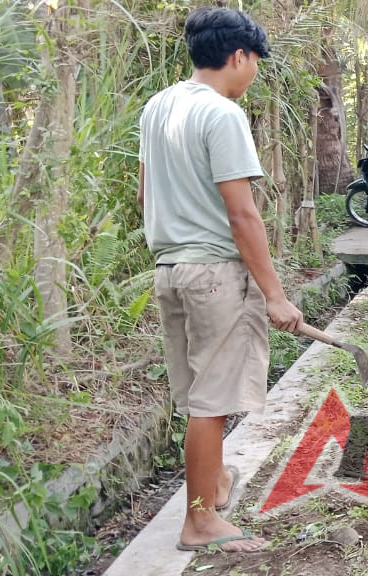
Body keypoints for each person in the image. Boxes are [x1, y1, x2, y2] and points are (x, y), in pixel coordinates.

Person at [139, 7, 301, 553]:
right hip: (213, 273)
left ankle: (214, 484)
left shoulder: (158, 106)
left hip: (170, 270)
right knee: (211, 402)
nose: (253, 72)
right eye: (254, 62)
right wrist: (274, 294)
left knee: (197, 397)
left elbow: (145, 195)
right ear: (239, 56)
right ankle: (201, 521)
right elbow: (242, 215)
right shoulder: (222, 114)